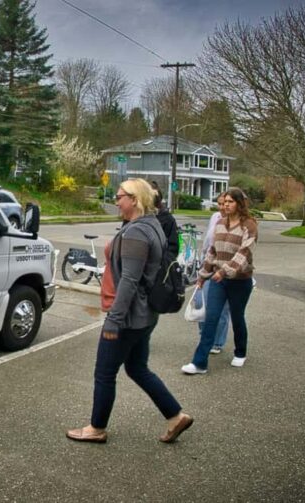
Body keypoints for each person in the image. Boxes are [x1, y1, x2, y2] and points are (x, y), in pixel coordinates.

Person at [67, 178, 192, 444]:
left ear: (134, 200)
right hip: (145, 315)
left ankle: (96, 428)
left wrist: (114, 320)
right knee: (137, 368)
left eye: (120, 196)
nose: (116, 200)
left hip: (129, 317)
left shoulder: (137, 231)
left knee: (104, 373)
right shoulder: (151, 224)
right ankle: (175, 415)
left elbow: (130, 280)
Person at [182, 188, 257, 374]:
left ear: (239, 203)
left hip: (240, 280)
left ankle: (240, 352)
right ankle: (199, 363)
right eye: (224, 202)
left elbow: (245, 252)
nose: (226, 205)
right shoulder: (220, 223)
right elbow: (212, 252)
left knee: (237, 317)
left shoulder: (249, 224)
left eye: (230, 202)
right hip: (217, 280)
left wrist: (225, 271)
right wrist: (202, 275)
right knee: (211, 318)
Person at [200, 194, 232, 354]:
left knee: (222, 308)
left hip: (224, 268)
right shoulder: (215, 217)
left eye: (226, 203)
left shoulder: (237, 222)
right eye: (220, 203)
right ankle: (205, 335)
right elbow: (209, 242)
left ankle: (217, 342)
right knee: (203, 303)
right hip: (208, 262)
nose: (222, 207)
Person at [151, 182, 179, 259]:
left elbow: (173, 248)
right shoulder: (136, 217)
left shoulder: (167, 219)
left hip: (159, 266)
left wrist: (161, 264)